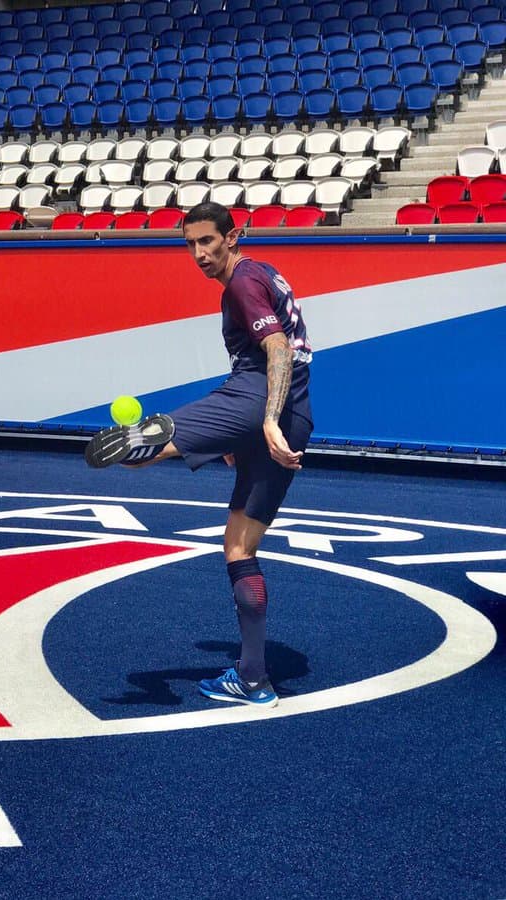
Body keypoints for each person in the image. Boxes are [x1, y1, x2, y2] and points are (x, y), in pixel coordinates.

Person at [85, 201, 313, 708]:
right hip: (298, 413)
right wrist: (260, 429)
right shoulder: (267, 275)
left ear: (233, 237)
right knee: (239, 547)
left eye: (208, 241)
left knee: (137, 452)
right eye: (190, 244)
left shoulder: (241, 283)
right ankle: (253, 680)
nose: (199, 253)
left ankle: (145, 436)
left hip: (259, 400)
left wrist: (263, 420)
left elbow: (278, 351)